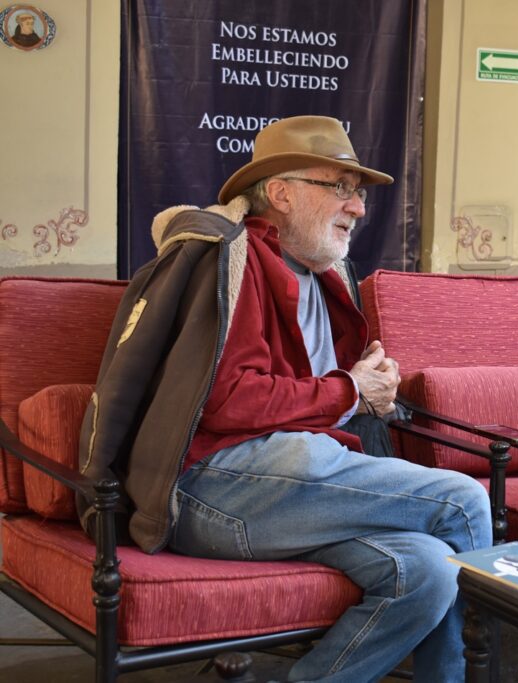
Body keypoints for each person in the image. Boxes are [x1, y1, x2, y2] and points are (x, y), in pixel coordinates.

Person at [78, 115, 492, 682]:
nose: (359, 207)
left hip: (293, 488)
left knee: (427, 571)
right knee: (464, 502)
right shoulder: (237, 260)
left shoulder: (328, 275)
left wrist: (369, 391)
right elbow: (229, 401)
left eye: (359, 192)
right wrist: (349, 390)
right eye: (340, 188)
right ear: (281, 193)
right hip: (213, 489)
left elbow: (326, 397)